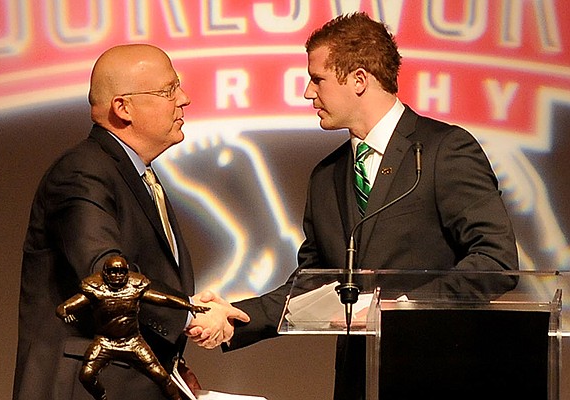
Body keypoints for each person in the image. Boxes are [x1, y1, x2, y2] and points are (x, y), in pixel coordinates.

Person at [188, 12, 519, 400]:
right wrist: (236, 318)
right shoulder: (326, 175)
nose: (309, 93)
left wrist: (400, 311)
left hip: (438, 374)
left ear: (359, 80)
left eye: (318, 79)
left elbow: (495, 260)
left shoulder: (443, 150)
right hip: (358, 383)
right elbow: (314, 280)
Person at [13, 44, 249, 400]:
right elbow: (109, 279)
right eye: (168, 90)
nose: (183, 99)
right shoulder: (83, 172)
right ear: (123, 107)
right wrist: (192, 315)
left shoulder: (137, 175)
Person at [56, 255, 210, 400]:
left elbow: (163, 299)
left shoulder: (134, 287)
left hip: (132, 341)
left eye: (121, 272)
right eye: (113, 272)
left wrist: (189, 306)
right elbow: (66, 307)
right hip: (105, 341)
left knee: (161, 376)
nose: (117, 276)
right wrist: (65, 313)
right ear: (105, 273)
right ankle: (102, 396)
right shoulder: (96, 289)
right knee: (87, 375)